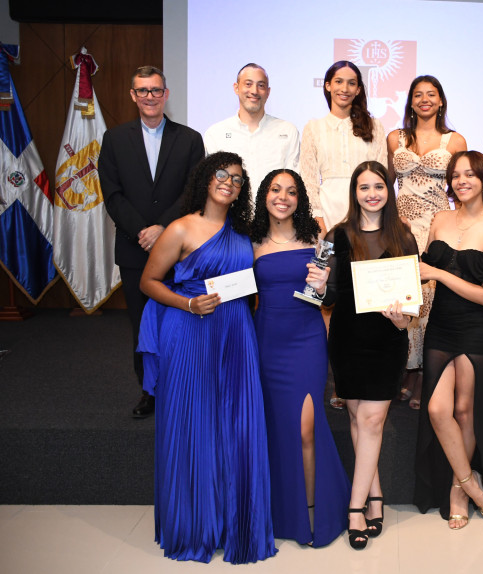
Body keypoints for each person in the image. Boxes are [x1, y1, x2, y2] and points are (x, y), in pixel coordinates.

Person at [137, 152, 275, 563]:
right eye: (221, 174)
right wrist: (187, 303)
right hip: (191, 329)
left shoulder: (243, 231)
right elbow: (148, 282)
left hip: (235, 332)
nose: (227, 182)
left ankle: (235, 522)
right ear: (204, 178)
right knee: (194, 423)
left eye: (236, 178)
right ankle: (193, 526)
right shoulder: (181, 228)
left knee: (235, 424)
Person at [250, 168, 350, 547]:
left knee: (307, 426)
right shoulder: (251, 241)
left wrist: (324, 288)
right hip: (266, 341)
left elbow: (324, 298)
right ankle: (285, 513)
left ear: (300, 199)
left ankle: (313, 509)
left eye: (291, 191)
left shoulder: (317, 237)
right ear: (264, 195)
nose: (283, 197)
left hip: (306, 339)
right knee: (279, 428)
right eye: (275, 189)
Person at [99, 65, 204, 418]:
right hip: (134, 249)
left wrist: (162, 228)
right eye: (142, 90)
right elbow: (112, 195)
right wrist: (143, 231)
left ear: (166, 94)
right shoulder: (113, 139)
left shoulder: (190, 139)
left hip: (180, 250)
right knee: (142, 324)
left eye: (156, 90)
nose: (149, 96)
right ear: (133, 95)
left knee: (181, 323)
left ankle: (181, 387)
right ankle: (150, 391)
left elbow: (194, 191)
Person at [323, 161, 418, 549]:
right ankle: (375, 495)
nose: (372, 194)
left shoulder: (404, 236)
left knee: (373, 420)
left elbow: (412, 306)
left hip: (386, 341)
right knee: (359, 421)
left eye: (378, 186)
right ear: (354, 193)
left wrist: (402, 320)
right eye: (364, 188)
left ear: (387, 190)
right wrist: (315, 282)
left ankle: (355, 508)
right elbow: (324, 297)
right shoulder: (334, 235)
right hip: (346, 339)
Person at [413, 151, 483, 529]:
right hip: (440, 325)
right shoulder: (439, 219)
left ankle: (456, 490)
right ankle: (471, 482)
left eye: (470, 174)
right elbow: (419, 272)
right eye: (455, 175)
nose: (461, 181)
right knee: (437, 409)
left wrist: (438, 272)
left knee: (465, 410)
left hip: (475, 328)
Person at [300, 60, 387, 410]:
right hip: (327, 218)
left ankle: (360, 374)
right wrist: (319, 223)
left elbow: (381, 173)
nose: (345, 88)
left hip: (366, 217)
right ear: (327, 85)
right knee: (325, 301)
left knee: (363, 297)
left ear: (359, 88)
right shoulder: (314, 127)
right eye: (339, 81)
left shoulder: (374, 126)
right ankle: (334, 380)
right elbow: (307, 177)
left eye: (352, 83)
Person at [387, 75, 467, 409]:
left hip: (438, 227)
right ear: (411, 101)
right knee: (402, 299)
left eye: (430, 94)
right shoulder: (396, 137)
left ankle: (422, 376)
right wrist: (391, 220)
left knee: (429, 303)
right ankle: (403, 370)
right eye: (418, 94)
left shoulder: (455, 139)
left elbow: (462, 188)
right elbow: (384, 183)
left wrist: (462, 230)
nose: (424, 100)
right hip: (403, 230)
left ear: (440, 101)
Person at [204, 63, 300, 193]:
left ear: (268, 92)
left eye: (261, 85)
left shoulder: (287, 131)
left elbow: (293, 184)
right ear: (236, 88)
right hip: (231, 212)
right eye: (248, 84)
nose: (254, 91)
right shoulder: (216, 134)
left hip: (274, 212)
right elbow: (211, 186)